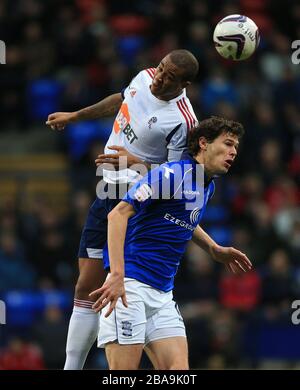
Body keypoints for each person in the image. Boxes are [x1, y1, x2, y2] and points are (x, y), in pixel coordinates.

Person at [46, 49, 199, 369]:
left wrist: (134, 162)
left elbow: (174, 181)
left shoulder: (183, 121)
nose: (159, 78)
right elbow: (121, 99)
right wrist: (74, 116)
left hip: (138, 204)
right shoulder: (144, 77)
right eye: (160, 69)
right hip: (107, 189)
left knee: (126, 289)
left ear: (184, 84)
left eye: (169, 77)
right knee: (85, 285)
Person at [90, 117, 252, 370]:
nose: (233, 152)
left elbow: (185, 218)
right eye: (228, 143)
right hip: (130, 286)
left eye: (236, 148)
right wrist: (117, 274)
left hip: (163, 294)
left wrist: (212, 248)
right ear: (203, 143)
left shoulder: (206, 185)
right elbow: (117, 215)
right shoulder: (172, 174)